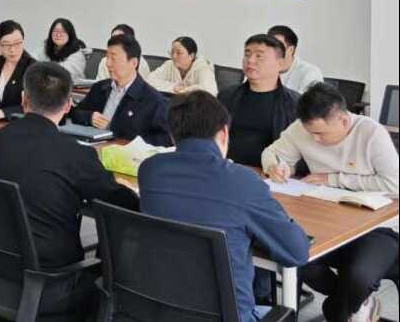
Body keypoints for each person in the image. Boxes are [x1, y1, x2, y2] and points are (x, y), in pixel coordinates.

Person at [139, 91, 310, 322]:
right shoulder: (242, 181)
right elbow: (296, 252)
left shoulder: (150, 170)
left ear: (172, 135)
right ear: (224, 133)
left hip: (160, 309)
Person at [0, 62, 138, 321]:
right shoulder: (76, 154)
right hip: (51, 277)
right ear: (68, 105)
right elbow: (123, 204)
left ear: (23, 99)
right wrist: (127, 189)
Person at [262, 83, 399, 322]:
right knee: (294, 258)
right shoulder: (303, 129)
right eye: (310, 133)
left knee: (358, 278)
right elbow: (272, 153)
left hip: (379, 228)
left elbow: (395, 184)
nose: (314, 139)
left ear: (343, 120)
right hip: (327, 220)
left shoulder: (371, 134)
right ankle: (356, 304)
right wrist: (276, 166)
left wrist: (333, 178)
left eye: (320, 133)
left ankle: (338, 309)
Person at [69, 35, 171, 146]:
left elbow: (165, 139)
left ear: (133, 63)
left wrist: (113, 128)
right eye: (107, 57)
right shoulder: (100, 88)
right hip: (92, 149)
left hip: (126, 153)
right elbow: (75, 113)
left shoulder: (153, 100)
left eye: (113, 58)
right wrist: (89, 117)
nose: (108, 63)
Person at [219, 34, 299, 167]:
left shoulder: (295, 104)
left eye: (259, 56)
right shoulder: (226, 96)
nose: (250, 60)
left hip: (269, 173)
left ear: (280, 63)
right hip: (227, 168)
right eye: (247, 54)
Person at [146, 36, 218, 95]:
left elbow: (210, 91)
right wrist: (174, 87)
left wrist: (186, 89)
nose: (174, 56)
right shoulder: (170, 64)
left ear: (191, 56)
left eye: (179, 53)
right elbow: (149, 80)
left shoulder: (203, 67)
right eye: (172, 52)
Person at [268, 25, 324, 94]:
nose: (272, 51)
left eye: (277, 46)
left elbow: (307, 100)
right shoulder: (263, 69)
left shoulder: (311, 72)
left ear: (291, 50)